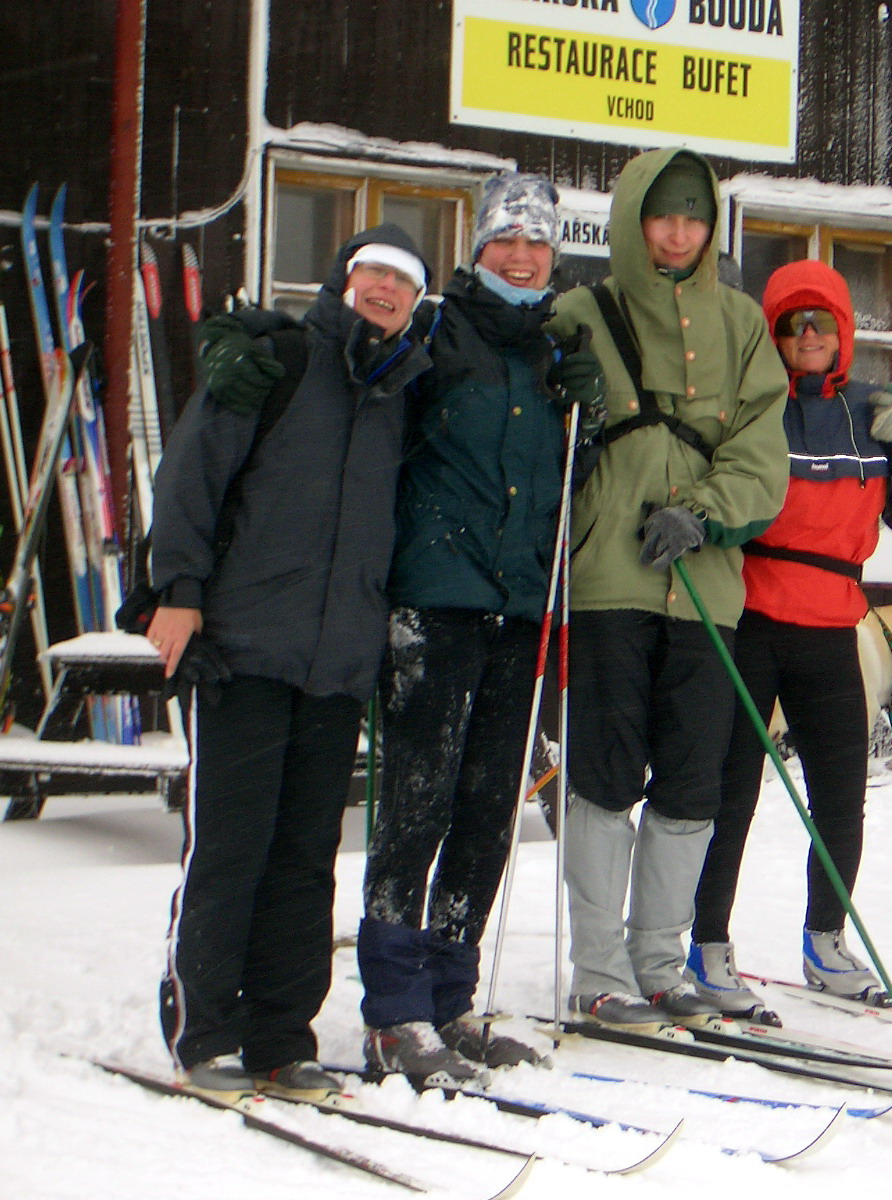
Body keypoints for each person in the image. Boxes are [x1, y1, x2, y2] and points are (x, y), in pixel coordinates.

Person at [145, 225, 432, 1100]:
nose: (386, 289)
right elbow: (190, 473)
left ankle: (281, 1037)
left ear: (416, 304)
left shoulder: (401, 394)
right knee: (232, 846)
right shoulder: (277, 362)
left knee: (307, 859)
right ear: (344, 279)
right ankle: (204, 1031)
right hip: (245, 648)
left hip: (337, 665)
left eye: (404, 282)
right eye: (373, 271)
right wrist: (178, 590)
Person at [354, 174, 604, 1083]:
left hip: (520, 602)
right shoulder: (433, 328)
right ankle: (393, 1009)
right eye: (507, 239)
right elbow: (362, 403)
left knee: (489, 806)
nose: (522, 256)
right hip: (435, 594)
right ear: (479, 246)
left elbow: (566, 481)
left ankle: (449, 996)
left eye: (537, 242)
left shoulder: (554, 350)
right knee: (417, 801)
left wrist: (590, 416)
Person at [546, 148, 790, 1033]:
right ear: (632, 220)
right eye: (663, 216)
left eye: (694, 218)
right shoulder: (580, 312)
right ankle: (597, 970)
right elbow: (537, 433)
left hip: (706, 586)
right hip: (608, 579)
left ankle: (658, 962)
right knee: (605, 774)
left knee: (692, 780)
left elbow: (762, 449)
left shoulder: (742, 323)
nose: (680, 233)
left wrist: (707, 513)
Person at [684, 259, 892, 1016]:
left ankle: (825, 941)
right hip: (752, 620)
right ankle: (708, 944)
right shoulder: (751, 405)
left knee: (841, 795)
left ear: (844, 331)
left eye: (823, 321)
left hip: (833, 626)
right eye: (792, 322)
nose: (808, 334)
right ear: (772, 333)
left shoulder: (873, 411)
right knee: (731, 794)